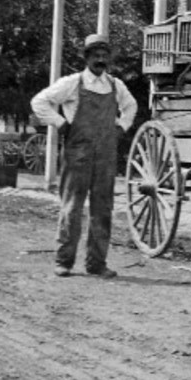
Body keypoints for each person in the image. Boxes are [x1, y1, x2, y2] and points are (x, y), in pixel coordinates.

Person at [31, 34, 137, 278]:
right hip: (78, 153)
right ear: (87, 57)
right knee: (72, 207)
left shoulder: (115, 85)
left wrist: (121, 127)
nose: (100, 59)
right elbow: (39, 101)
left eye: (104, 55)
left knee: (103, 209)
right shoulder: (72, 82)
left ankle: (96, 263)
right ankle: (64, 261)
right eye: (95, 55)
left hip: (106, 155)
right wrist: (60, 123)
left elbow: (131, 106)